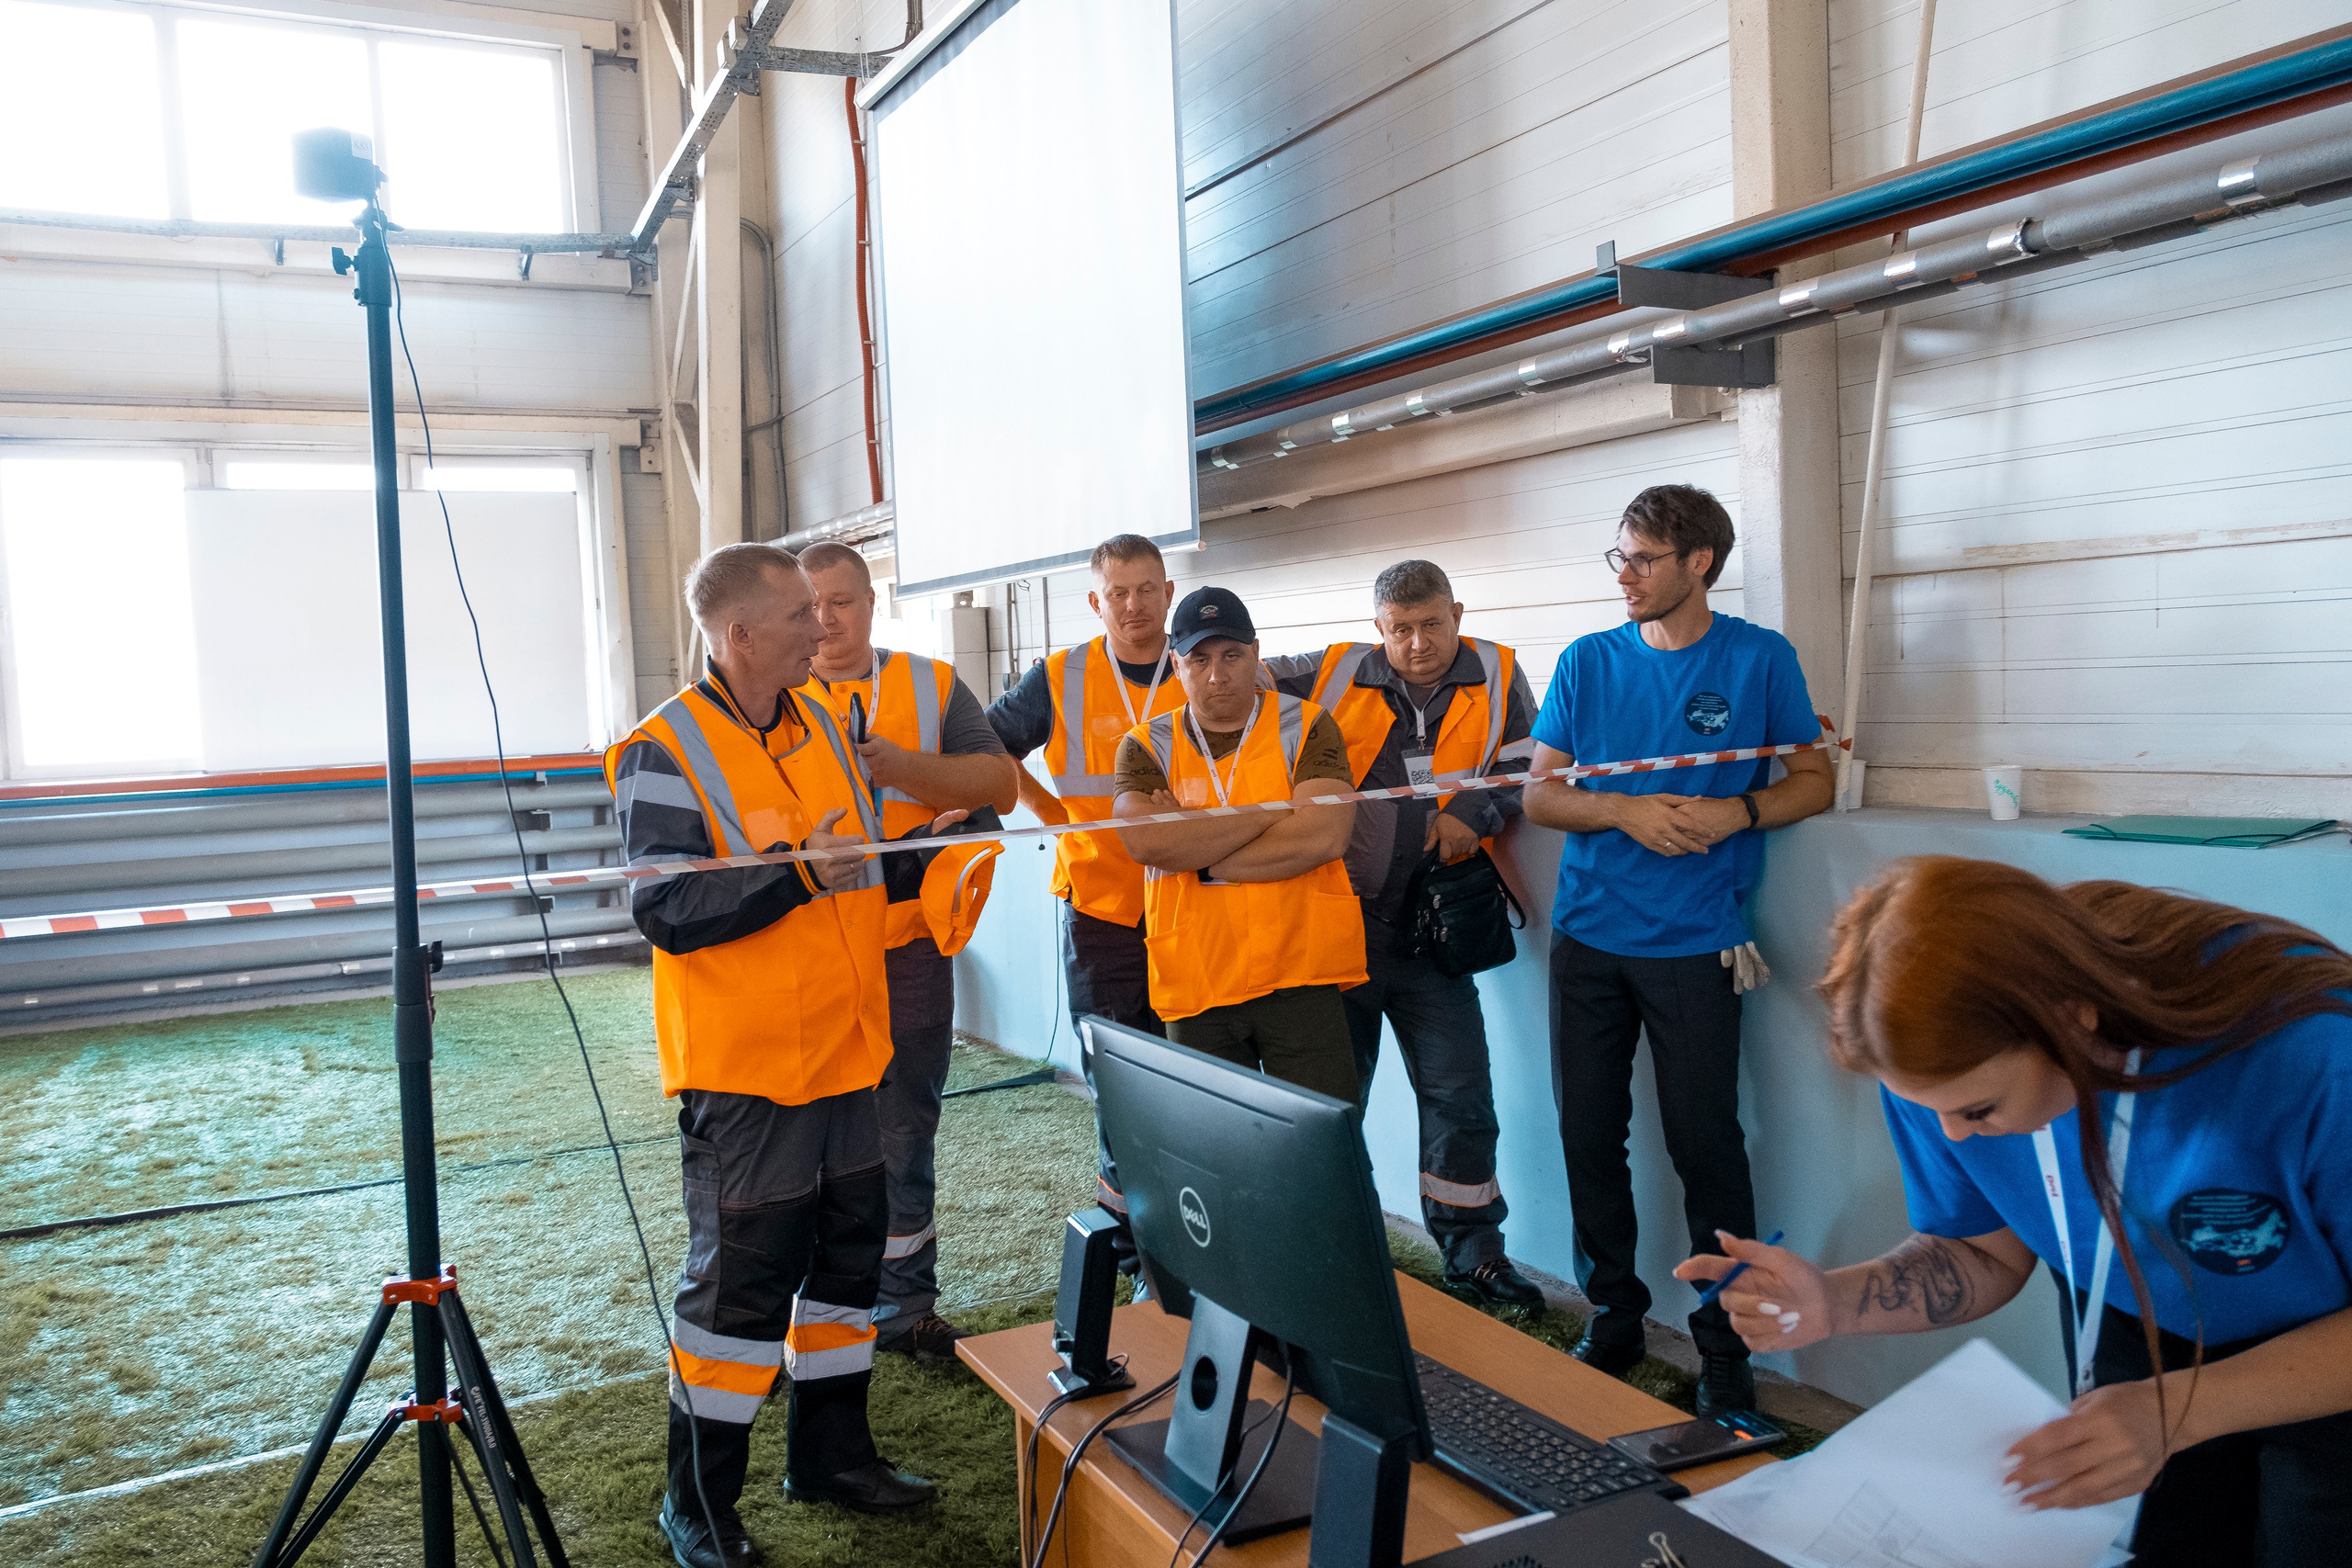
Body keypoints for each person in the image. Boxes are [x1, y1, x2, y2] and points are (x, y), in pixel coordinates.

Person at [1678, 857, 2352, 1567]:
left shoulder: (2309, 1056)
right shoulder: (1930, 1072)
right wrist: (1836, 1301)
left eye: (1978, 1109)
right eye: (1927, 1108)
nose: (1955, 1136)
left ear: (2072, 1020)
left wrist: (2185, 1407)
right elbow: (1983, 1253)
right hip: (2136, 1322)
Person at [609, 543, 951, 1567]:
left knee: (849, 1268)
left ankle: (831, 1459)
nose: (825, 627)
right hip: (749, 1074)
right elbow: (667, 907)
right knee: (738, 1295)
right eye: (803, 614)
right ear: (740, 633)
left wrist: (926, 849)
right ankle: (699, 1507)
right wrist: (799, 876)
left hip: (849, 1051)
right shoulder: (662, 746)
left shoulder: (829, 725)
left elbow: (857, 871)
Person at [1522, 484, 1833, 1416]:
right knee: (1588, 1135)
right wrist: (1622, 808)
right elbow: (1540, 795)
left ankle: (1724, 1350)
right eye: (1616, 557)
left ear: (1699, 563)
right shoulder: (1585, 662)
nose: (1624, 576)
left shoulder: (1760, 660)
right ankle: (1612, 1315)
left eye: (1641, 559)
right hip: (1587, 938)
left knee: (1708, 1149)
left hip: (1696, 945)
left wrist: (1735, 809)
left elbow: (1811, 780)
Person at [1261, 559, 1544, 1309]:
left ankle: (1475, 1255)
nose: (1418, 644)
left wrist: (1474, 814)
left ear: (1458, 610)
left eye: (1432, 625)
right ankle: (1330, 1251)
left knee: (1460, 1095)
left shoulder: (1502, 673)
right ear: (1377, 626)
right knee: (1331, 1101)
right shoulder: (1328, 671)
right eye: (1400, 630)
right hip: (1338, 931)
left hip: (1434, 936)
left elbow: (1524, 769)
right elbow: (1229, 681)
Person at [796, 541, 1017, 1364]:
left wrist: (901, 767)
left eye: (843, 600)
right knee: (809, 1137)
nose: (825, 619)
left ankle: (905, 1308)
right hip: (811, 949)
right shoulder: (771, 696)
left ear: (871, 602)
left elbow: (1000, 787)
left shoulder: (928, 684)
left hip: (909, 948)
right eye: (810, 603)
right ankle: (811, 1317)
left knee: (905, 1127)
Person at [985, 535, 1186, 1226]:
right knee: (1120, 1078)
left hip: (1196, 904)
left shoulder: (1204, 663)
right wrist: (1052, 812)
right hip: (1103, 910)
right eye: (1118, 592)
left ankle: (1198, 1234)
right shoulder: (1061, 674)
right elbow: (986, 751)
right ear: (1096, 601)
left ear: (1168, 592)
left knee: (1194, 1077)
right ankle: (1134, 1240)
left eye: (1147, 588)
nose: (1134, 605)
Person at [1110, 586, 1363, 1101]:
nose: (1217, 674)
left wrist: (1197, 846)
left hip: (1302, 977)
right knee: (1219, 1160)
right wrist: (1274, 811)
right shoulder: (1144, 744)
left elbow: (1324, 835)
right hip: (1197, 983)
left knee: (1322, 1158)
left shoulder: (1308, 723)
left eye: (1231, 655)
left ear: (1256, 653)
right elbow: (1145, 843)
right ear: (1176, 665)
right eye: (1199, 659)